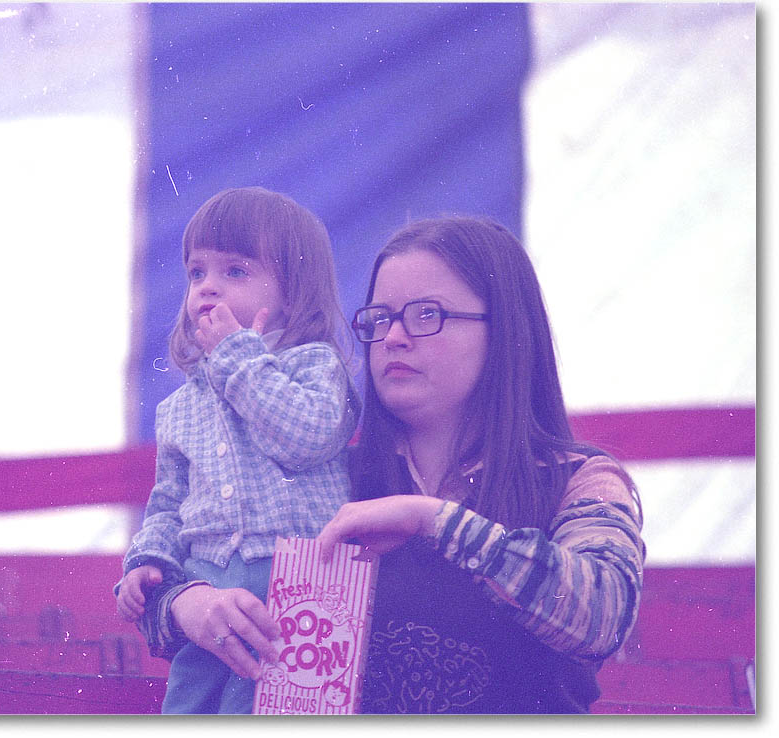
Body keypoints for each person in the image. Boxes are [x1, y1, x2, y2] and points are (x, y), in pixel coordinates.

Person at [134, 216, 646, 714]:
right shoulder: (329, 478)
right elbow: (185, 573)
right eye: (380, 320)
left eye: (427, 314)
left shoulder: (579, 478)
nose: (394, 337)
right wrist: (187, 603)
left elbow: (602, 616)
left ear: (506, 330)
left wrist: (432, 520)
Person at [115, 186, 359, 714]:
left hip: (301, 584)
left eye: (236, 272)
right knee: (190, 706)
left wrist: (237, 356)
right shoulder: (180, 407)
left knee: (274, 709)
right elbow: (166, 504)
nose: (208, 288)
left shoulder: (314, 366)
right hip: (209, 584)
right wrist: (148, 559)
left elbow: (306, 439)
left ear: (293, 293)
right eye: (197, 273)